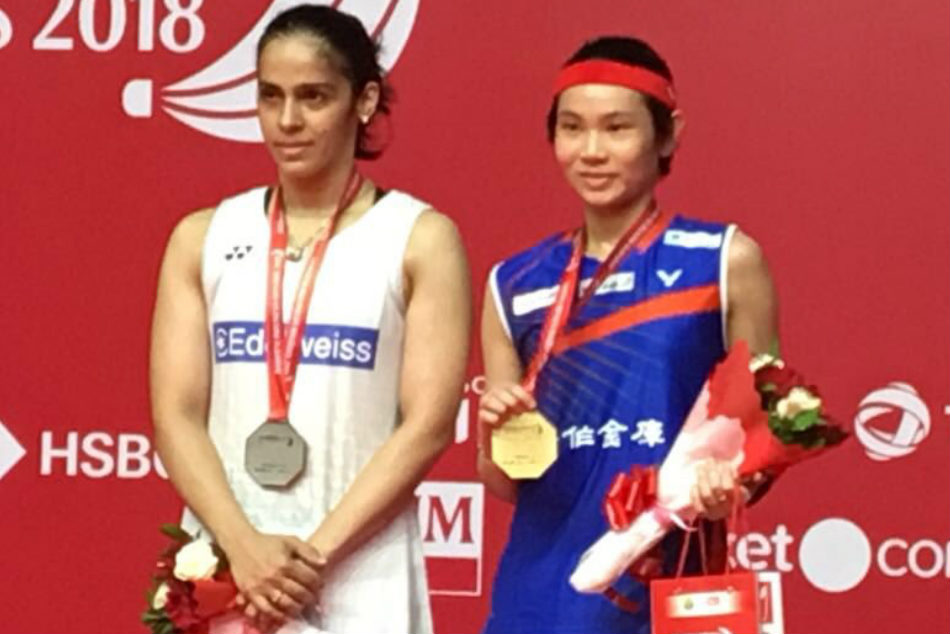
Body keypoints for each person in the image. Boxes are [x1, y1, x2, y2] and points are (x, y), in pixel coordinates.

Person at [149, 6, 471, 633]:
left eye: (314, 97)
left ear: (365, 100)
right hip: (227, 568)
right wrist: (245, 549)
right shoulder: (203, 236)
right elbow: (176, 416)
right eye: (270, 96)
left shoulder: (420, 238)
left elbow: (428, 425)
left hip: (360, 571)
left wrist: (306, 562)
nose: (288, 120)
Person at [477, 36, 778, 634]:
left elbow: (769, 432)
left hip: (671, 589)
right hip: (538, 597)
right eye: (572, 128)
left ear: (667, 135)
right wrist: (493, 434)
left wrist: (733, 482)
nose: (591, 151)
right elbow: (506, 481)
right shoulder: (513, 283)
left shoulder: (723, 261)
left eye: (617, 128)